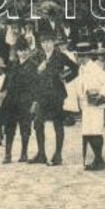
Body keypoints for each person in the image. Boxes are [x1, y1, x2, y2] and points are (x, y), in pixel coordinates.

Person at [30, 34, 79, 165]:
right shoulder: (37, 56)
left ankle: (58, 155)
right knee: (38, 123)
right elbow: (32, 74)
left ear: (53, 43)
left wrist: (65, 78)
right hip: (42, 95)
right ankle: (41, 154)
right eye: (43, 42)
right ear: (40, 44)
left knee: (57, 124)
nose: (46, 45)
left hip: (57, 95)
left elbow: (75, 68)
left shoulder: (60, 56)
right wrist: (38, 70)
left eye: (48, 41)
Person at [0, 38, 38, 164]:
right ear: (17, 52)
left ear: (29, 50)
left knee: (25, 128)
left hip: (25, 101)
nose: (23, 53)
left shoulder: (33, 65)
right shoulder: (13, 64)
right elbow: (6, 81)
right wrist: (2, 92)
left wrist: (34, 102)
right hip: (11, 101)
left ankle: (24, 153)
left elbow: (35, 86)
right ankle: (7, 154)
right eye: (20, 50)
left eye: (25, 50)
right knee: (9, 128)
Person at [77, 44, 105, 170]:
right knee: (88, 132)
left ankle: (99, 159)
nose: (80, 58)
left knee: (95, 131)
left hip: (96, 103)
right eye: (79, 56)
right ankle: (97, 159)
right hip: (86, 104)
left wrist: (101, 95)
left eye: (82, 56)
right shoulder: (82, 68)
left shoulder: (95, 68)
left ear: (87, 56)